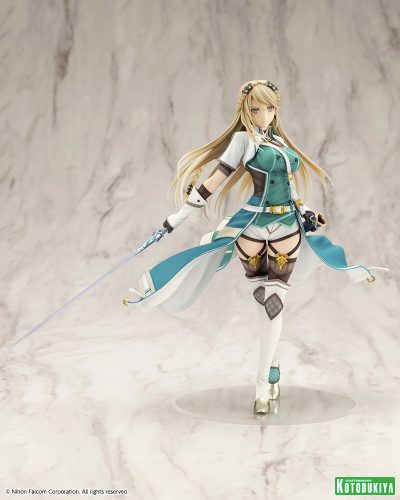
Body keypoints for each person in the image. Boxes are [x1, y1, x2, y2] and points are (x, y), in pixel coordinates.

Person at [125, 80, 389, 415]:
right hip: (252, 226)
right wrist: (175, 219)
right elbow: (213, 182)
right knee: (265, 299)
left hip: (287, 225)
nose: (263, 115)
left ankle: (263, 380)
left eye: (269, 108)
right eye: (255, 109)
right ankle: (269, 370)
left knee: (275, 301)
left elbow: (291, 188)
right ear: (245, 111)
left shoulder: (279, 142)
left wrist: (306, 210)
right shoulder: (243, 141)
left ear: (276, 110)